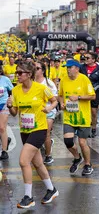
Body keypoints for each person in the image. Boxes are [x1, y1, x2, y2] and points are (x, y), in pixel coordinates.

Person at [6, 61, 58, 209]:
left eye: (20, 73)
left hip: (39, 129)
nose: (17, 75)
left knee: (23, 161)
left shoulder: (41, 88)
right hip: (25, 130)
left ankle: (28, 197)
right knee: (37, 163)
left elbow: (54, 101)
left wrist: (49, 108)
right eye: (16, 72)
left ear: (29, 74)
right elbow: (15, 113)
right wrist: (10, 106)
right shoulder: (15, 90)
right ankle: (51, 189)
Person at [58, 59, 96, 176]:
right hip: (69, 116)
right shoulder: (64, 79)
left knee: (82, 142)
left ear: (77, 68)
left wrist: (78, 97)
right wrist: (62, 103)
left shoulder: (84, 79)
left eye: (70, 67)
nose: (68, 70)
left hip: (83, 117)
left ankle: (88, 165)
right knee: (68, 141)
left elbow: (93, 96)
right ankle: (77, 157)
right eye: (67, 68)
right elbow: (60, 95)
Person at [35, 61, 57, 165]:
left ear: (43, 70)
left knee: (46, 133)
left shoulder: (48, 83)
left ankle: (48, 156)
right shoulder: (31, 83)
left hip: (49, 111)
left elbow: (55, 98)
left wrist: (48, 106)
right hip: (35, 113)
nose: (34, 70)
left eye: (37, 68)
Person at [80, 52, 99, 138]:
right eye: (85, 58)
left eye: (87, 58)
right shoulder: (81, 67)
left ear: (93, 60)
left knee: (93, 112)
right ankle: (82, 128)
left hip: (94, 93)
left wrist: (92, 88)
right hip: (83, 93)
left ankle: (93, 128)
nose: (85, 60)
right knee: (82, 111)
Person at [0, 65, 14, 160]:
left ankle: (4, 151)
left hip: (3, 105)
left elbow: (13, 91)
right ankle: (6, 139)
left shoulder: (5, 80)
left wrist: (11, 100)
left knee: (1, 128)